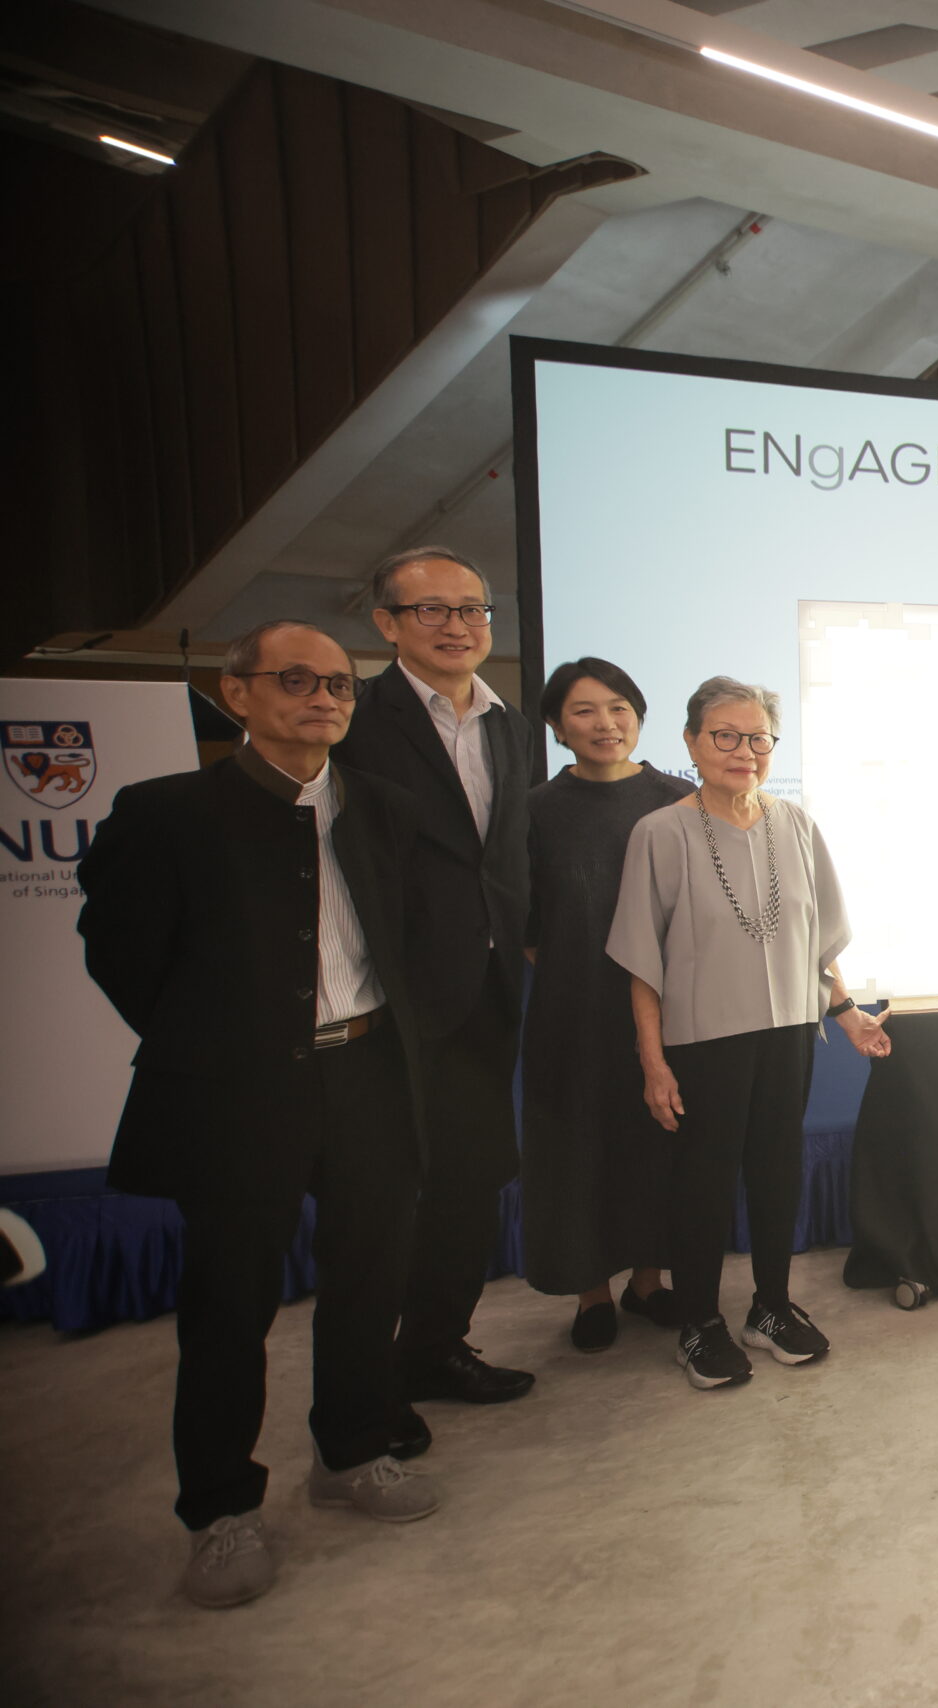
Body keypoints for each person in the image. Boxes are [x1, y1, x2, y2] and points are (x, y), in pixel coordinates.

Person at [77, 621, 440, 1609]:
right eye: (295, 679)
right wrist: (216, 1036)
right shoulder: (166, 814)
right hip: (238, 1090)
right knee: (230, 1301)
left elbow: (406, 942)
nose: (322, 697)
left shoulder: (385, 807)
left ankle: (354, 1447)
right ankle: (221, 1508)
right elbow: (120, 949)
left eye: (337, 684)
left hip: (366, 1071)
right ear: (238, 693)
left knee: (371, 1275)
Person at [607, 677, 891, 1390]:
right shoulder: (660, 833)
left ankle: (769, 1306)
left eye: (758, 736)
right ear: (692, 743)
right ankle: (699, 1321)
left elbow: (819, 939)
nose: (743, 750)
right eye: (725, 735)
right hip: (703, 1040)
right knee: (701, 1183)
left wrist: (846, 1009)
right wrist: (652, 1061)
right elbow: (642, 960)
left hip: (789, 1032)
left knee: (776, 1174)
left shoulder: (795, 823)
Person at [337, 546, 544, 1426]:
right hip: (390, 1000)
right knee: (386, 1196)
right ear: (386, 624)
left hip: (488, 987)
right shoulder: (355, 717)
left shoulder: (507, 722)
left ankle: (432, 1348)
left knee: (469, 1177)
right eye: (434, 611)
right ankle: (364, 1383)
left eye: (474, 610)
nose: (459, 626)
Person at [519, 659, 694, 1348]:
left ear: (640, 717)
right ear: (558, 726)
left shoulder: (680, 798)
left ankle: (647, 1283)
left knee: (657, 1145)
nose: (604, 723)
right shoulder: (535, 810)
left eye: (619, 707)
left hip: (671, 1009)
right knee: (577, 1147)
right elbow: (527, 923)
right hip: (572, 1011)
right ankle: (591, 1293)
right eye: (584, 711)